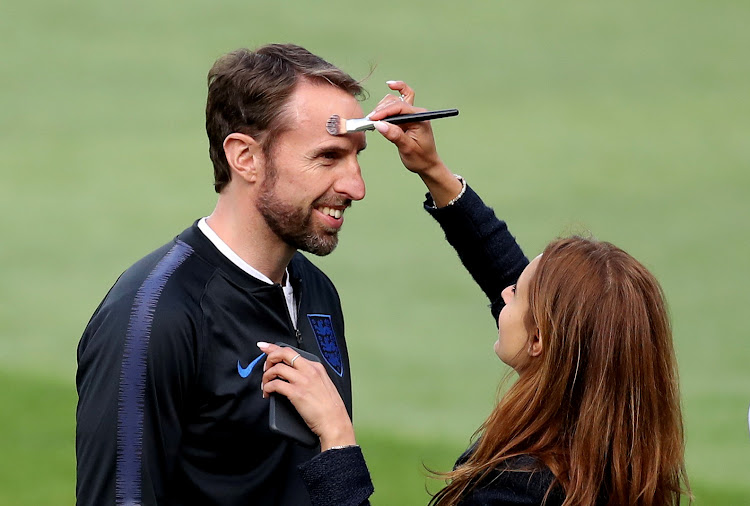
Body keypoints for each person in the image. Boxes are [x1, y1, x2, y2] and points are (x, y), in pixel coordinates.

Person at [259, 82, 691, 505]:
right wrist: (433, 170)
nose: (503, 289)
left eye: (518, 292)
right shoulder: (616, 457)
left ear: (541, 341)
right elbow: (509, 273)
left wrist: (337, 440)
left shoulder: (520, 492)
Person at [76, 44, 371, 505]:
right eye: (328, 157)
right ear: (245, 157)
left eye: (357, 157)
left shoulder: (316, 292)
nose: (356, 186)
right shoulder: (155, 315)